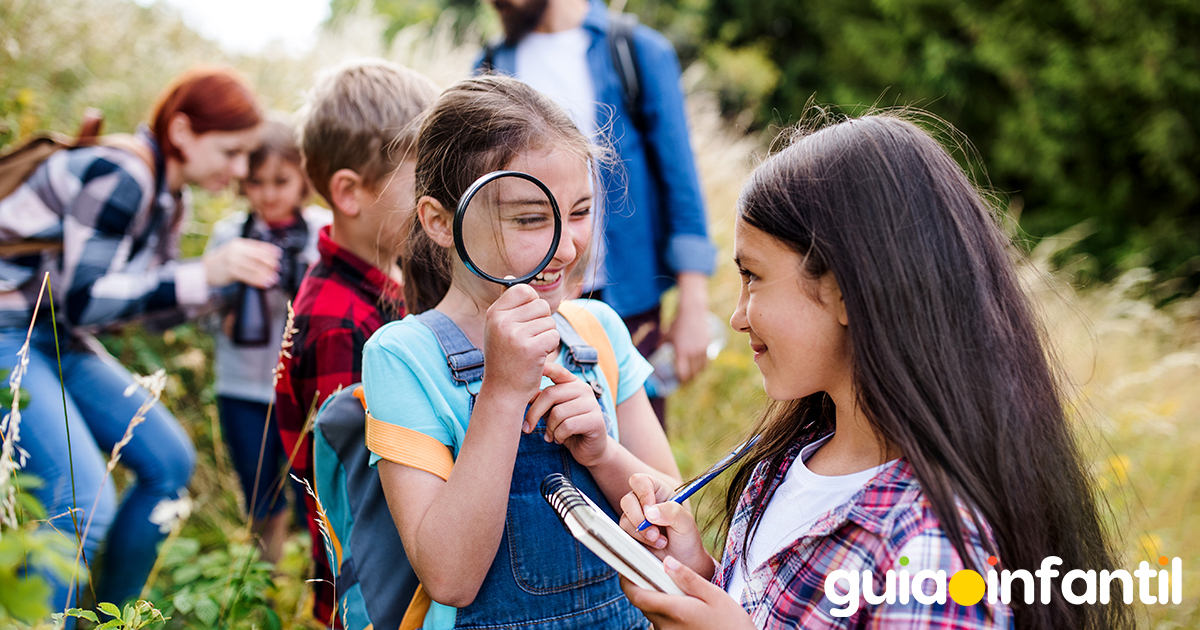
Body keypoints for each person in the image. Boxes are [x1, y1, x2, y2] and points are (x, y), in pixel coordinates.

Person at [617, 114, 1133, 630]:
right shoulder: (791, 459)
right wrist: (694, 575)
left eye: (753, 276)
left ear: (843, 290)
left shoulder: (929, 550)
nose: (737, 314)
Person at [363, 75, 681, 630]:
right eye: (531, 218)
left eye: (579, 211)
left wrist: (604, 454)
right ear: (440, 222)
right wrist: (503, 392)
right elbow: (451, 578)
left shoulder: (599, 332)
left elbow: (674, 526)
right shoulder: (402, 356)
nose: (566, 245)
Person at [0, 66, 275, 612]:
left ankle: (112, 618)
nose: (240, 169)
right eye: (229, 152)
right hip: (10, 327)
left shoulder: (170, 201)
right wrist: (204, 273)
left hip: (56, 334)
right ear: (181, 131)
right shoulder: (123, 174)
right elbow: (85, 299)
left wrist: (222, 293)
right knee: (77, 499)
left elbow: (138, 310)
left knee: (170, 462)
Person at [478, 0, 717, 425]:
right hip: (532, 300)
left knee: (633, 444)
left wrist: (693, 304)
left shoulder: (637, 51)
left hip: (630, 301)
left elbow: (679, 180)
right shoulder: (493, 65)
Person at [272, 58, 439, 628]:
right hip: (377, 598)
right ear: (350, 192)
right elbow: (357, 491)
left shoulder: (385, 288)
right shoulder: (338, 322)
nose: (436, 200)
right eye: (423, 181)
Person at [204, 115, 330, 565]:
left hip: (304, 389)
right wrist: (229, 315)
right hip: (242, 386)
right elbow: (202, 310)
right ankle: (264, 585)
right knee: (260, 495)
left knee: (314, 500)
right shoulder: (230, 235)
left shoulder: (321, 233)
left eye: (281, 180)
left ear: (303, 180)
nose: (270, 193)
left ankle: (321, 589)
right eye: (256, 182)